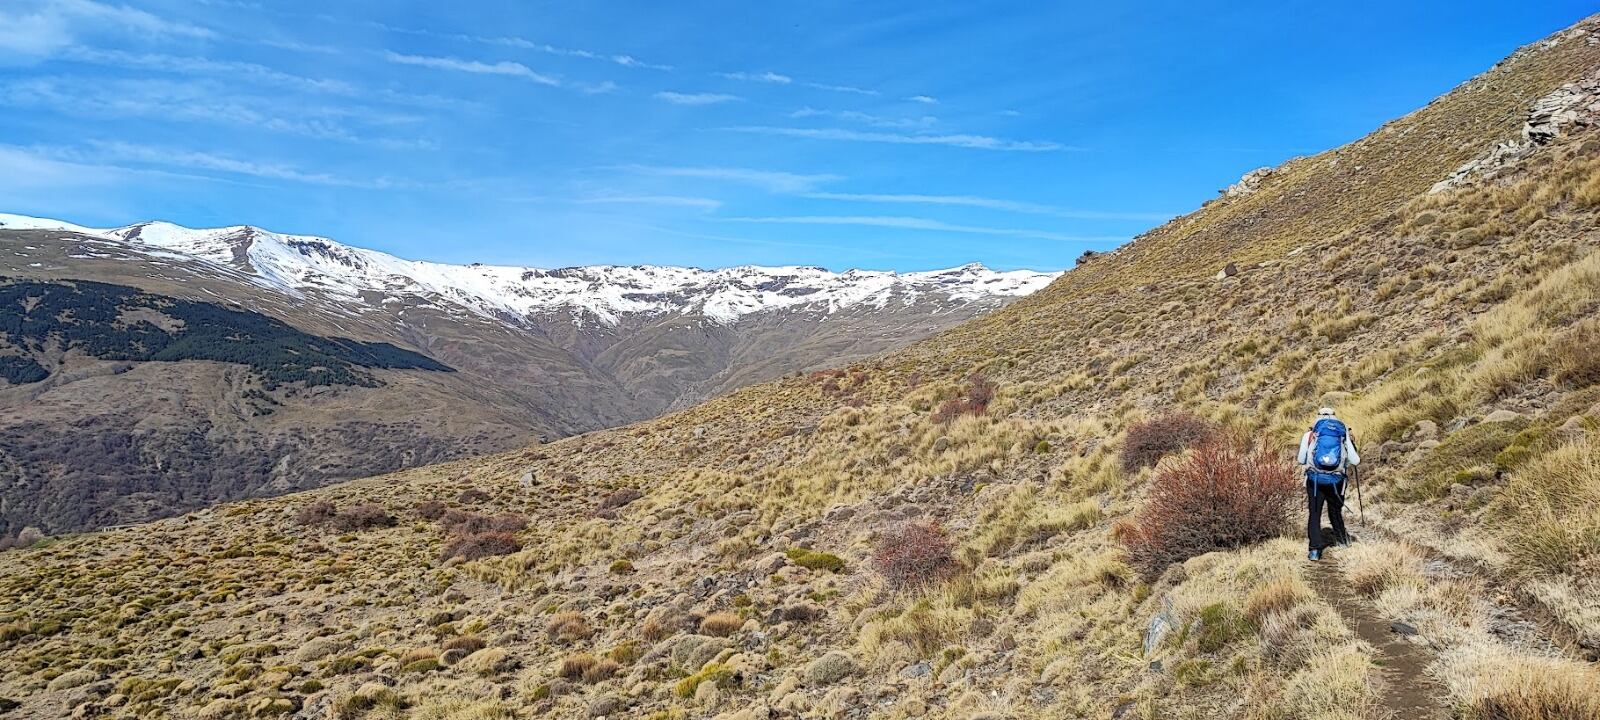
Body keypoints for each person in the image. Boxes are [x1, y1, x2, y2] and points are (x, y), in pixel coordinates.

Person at [1297, 407, 1360, 561]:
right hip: (1336, 482)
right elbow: (1355, 460)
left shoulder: (1310, 434)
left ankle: (1314, 550)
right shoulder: (1342, 433)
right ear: (1335, 417)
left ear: (1317, 417)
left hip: (1315, 481)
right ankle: (1342, 541)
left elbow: (1301, 460)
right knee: (1335, 511)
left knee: (1315, 513)